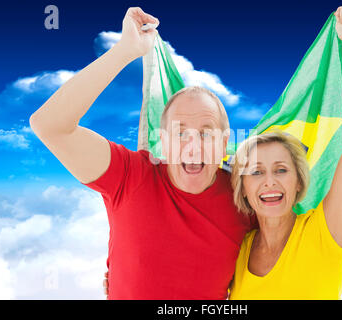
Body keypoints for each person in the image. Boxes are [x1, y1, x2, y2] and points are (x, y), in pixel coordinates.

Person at [30, 7, 253, 299]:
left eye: (206, 133)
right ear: (162, 141)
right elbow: (49, 126)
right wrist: (125, 51)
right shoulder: (130, 174)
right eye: (180, 132)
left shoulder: (246, 199)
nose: (193, 145)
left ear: (224, 145)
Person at [228, 5, 342, 299]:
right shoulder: (238, 251)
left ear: (299, 182)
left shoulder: (324, 231)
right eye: (256, 172)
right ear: (243, 188)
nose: (269, 181)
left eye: (281, 169)